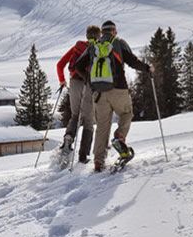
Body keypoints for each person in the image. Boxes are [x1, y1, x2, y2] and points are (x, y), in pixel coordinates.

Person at [74, 20, 152, 172]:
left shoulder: (93, 46)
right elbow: (133, 61)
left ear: (102, 32)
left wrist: (89, 81)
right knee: (126, 113)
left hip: (99, 93)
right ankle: (119, 136)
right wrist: (148, 68)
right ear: (114, 31)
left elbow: (78, 66)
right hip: (119, 89)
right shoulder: (118, 43)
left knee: (102, 127)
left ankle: (98, 162)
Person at [56, 24, 101, 164]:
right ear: (98, 36)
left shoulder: (77, 47)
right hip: (88, 84)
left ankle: (68, 138)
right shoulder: (98, 49)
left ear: (87, 35)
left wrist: (62, 80)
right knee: (88, 120)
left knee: (75, 115)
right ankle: (83, 156)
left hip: (74, 82)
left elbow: (60, 64)